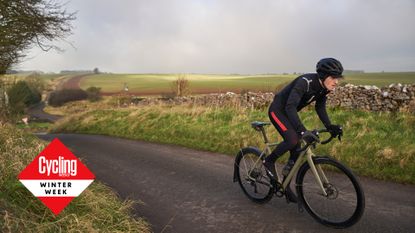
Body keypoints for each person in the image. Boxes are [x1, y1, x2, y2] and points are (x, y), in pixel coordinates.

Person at [263, 58, 344, 180]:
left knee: (298, 148)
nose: (336, 82)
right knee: (293, 140)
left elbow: (320, 107)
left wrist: (329, 126)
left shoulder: (324, 88)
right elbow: (290, 106)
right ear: (323, 76)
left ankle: (285, 184)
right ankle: (268, 161)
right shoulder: (305, 82)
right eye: (333, 77)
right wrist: (302, 130)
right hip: (278, 110)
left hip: (289, 112)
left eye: (338, 78)